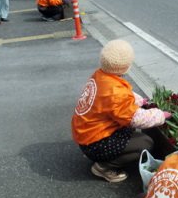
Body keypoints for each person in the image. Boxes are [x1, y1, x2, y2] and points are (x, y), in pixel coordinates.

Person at [71, 40, 169, 183]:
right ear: (126, 67)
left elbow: (116, 97)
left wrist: (139, 101)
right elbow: (136, 118)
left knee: (129, 131)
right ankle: (103, 166)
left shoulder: (100, 76)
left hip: (86, 134)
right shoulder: (116, 92)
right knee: (145, 144)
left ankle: (98, 155)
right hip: (94, 142)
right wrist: (160, 115)